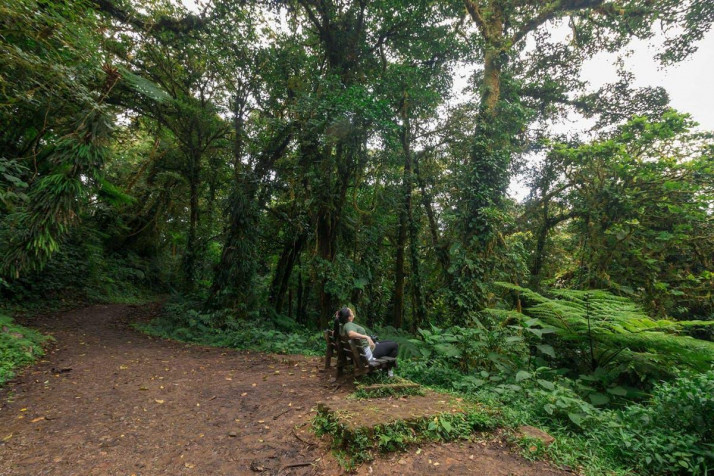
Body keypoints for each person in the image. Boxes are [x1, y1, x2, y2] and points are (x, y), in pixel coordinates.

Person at [333, 307, 398, 372]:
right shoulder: (348, 325)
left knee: (388, 342)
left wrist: (337, 317)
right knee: (395, 345)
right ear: (349, 317)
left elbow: (335, 330)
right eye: (351, 312)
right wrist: (367, 337)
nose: (353, 313)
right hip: (367, 353)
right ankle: (387, 370)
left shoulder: (341, 326)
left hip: (361, 351)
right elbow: (351, 334)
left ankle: (386, 368)